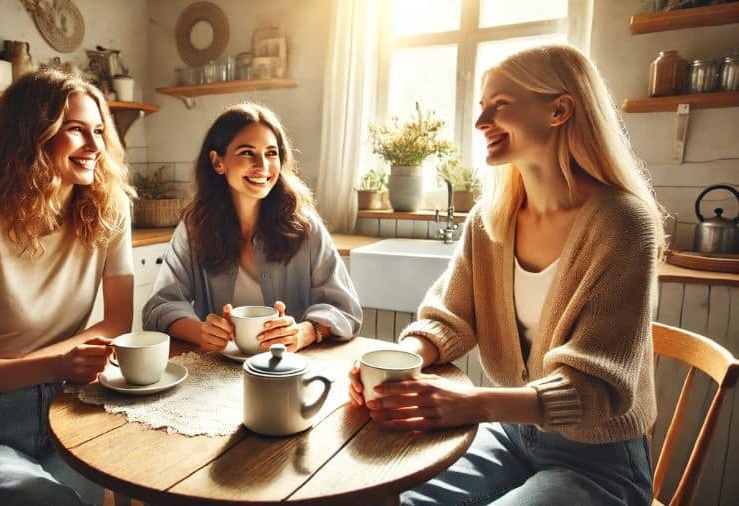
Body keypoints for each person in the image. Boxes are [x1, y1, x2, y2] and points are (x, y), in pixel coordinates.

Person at [348, 44, 664, 505]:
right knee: (386, 497)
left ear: (559, 109)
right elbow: (449, 318)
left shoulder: (623, 223)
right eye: (482, 109)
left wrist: (472, 404)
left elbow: (593, 386)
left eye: (499, 106)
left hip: (600, 463)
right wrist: (401, 361)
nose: (480, 124)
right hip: (513, 436)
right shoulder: (489, 221)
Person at [0, 69, 135, 506]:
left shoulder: (109, 212)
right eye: (75, 130)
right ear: (31, 138)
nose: (95, 146)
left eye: (98, 130)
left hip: (73, 411)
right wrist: (60, 362)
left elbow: (118, 320)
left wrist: (64, 367)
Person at [143, 103, 363, 353]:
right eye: (247, 152)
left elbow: (346, 309)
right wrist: (200, 331)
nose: (263, 166)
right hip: (216, 372)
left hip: (292, 370)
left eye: (271, 153)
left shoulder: (306, 227)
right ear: (217, 162)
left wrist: (306, 332)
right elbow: (159, 307)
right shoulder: (194, 227)